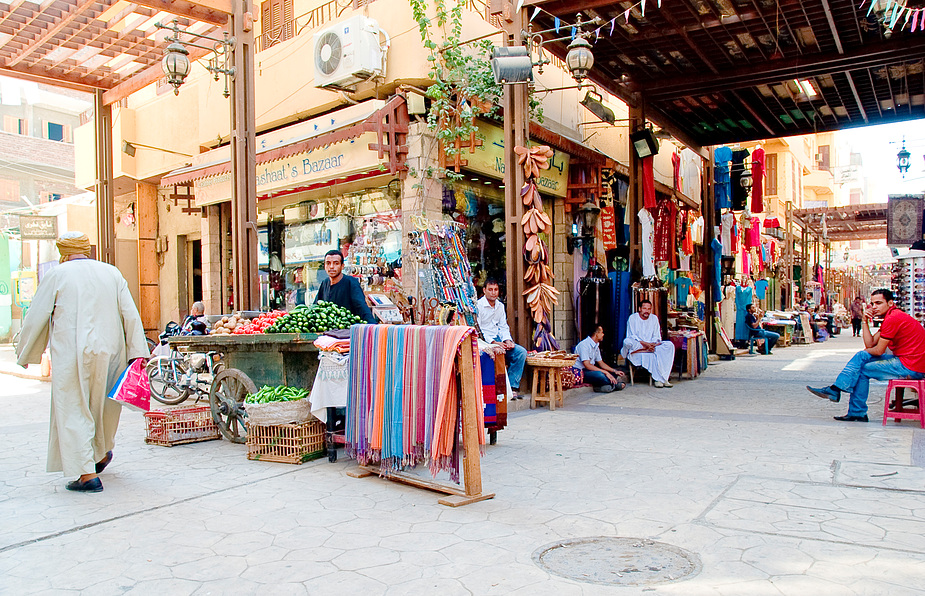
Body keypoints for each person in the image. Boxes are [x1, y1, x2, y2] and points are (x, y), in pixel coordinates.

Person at [15, 232, 149, 493]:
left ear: (63, 252)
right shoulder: (111, 272)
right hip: (111, 350)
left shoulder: (58, 274)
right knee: (104, 407)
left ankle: (87, 475)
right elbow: (130, 314)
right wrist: (138, 351)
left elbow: (37, 315)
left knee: (74, 407)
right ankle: (100, 454)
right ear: (86, 250)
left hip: (72, 352)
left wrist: (26, 352)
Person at [807, 289, 925, 422]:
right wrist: (864, 320)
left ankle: (850, 404)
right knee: (862, 359)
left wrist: (862, 353)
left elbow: (878, 350)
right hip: (909, 362)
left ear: (890, 303)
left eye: (879, 303)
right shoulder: (892, 316)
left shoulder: (893, 318)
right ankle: (842, 396)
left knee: (862, 366)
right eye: (873, 303)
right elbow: (871, 344)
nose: (874, 307)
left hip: (912, 366)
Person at [476, 279, 527, 397]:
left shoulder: (500, 306)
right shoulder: (479, 306)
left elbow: (503, 326)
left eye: (495, 290)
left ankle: (511, 387)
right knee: (498, 353)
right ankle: (500, 390)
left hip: (498, 338)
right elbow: (479, 329)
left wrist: (507, 340)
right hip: (485, 341)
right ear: (484, 290)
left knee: (521, 353)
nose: (493, 292)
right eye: (490, 290)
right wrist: (494, 342)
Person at [622, 300, 676, 388]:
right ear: (639, 309)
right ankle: (658, 379)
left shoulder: (654, 318)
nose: (646, 311)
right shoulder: (633, 318)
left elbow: (656, 336)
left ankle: (663, 378)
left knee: (669, 345)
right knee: (627, 341)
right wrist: (645, 344)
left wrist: (652, 345)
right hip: (638, 345)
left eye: (649, 309)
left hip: (652, 346)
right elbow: (632, 336)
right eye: (644, 308)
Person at [314, 249, 375, 323]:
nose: (331, 267)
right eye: (328, 263)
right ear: (325, 266)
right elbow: (315, 307)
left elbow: (361, 307)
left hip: (348, 330)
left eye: (336, 263)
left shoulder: (351, 283)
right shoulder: (324, 283)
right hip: (329, 330)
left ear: (342, 266)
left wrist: (372, 326)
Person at [573, 325, 626, 393]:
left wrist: (614, 371)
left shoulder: (596, 346)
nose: (603, 335)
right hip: (581, 372)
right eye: (601, 332)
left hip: (590, 370)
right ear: (596, 334)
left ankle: (603, 387)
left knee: (611, 374)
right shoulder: (584, 345)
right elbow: (587, 365)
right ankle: (615, 385)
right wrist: (605, 372)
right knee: (600, 375)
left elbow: (601, 363)